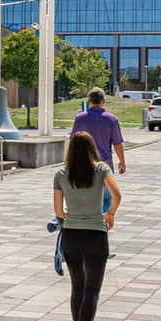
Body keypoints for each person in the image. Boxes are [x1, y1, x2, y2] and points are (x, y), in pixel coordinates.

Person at [51, 132, 122, 321]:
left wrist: (70, 217)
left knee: (77, 287)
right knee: (92, 289)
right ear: (92, 148)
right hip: (96, 235)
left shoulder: (61, 174)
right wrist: (109, 213)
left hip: (71, 235)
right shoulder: (101, 170)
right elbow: (117, 194)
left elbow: (58, 211)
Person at [52, 89, 124, 274]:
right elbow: (117, 143)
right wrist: (122, 161)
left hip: (77, 169)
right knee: (104, 208)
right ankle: (99, 244)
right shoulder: (111, 119)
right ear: (103, 101)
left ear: (89, 101)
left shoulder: (80, 118)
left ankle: (67, 241)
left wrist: (68, 162)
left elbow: (74, 141)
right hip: (103, 171)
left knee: (76, 205)